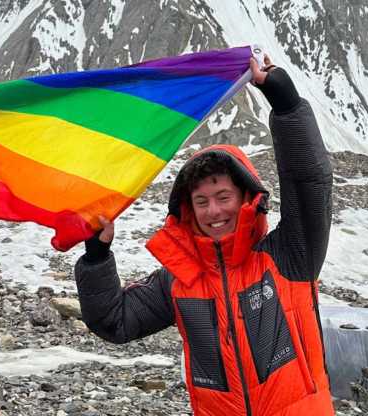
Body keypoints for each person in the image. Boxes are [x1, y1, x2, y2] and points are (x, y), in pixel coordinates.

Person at [74, 56, 334, 416]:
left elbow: (309, 182)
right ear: (188, 209)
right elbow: (113, 321)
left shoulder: (289, 255)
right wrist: (97, 256)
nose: (214, 211)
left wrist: (286, 103)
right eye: (201, 201)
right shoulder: (179, 280)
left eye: (223, 197)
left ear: (247, 198)